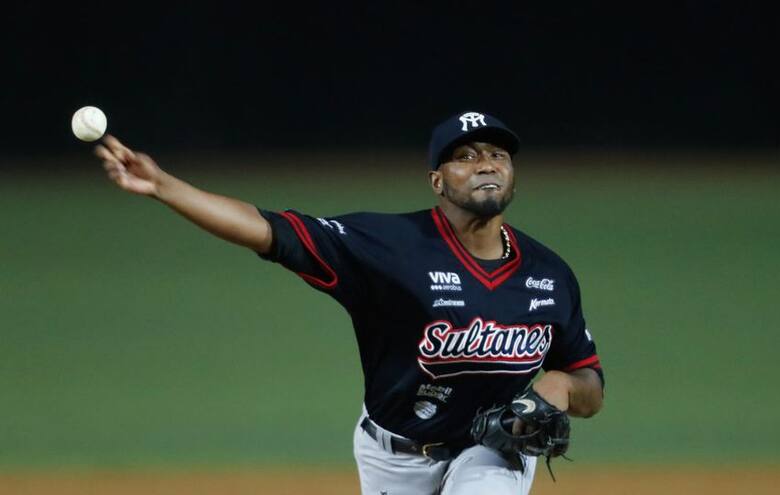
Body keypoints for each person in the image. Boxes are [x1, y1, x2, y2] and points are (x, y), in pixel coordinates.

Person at [94, 111, 605, 494]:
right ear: (436, 181)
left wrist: (560, 386)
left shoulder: (549, 274)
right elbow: (268, 231)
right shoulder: (388, 246)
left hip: (494, 452)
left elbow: (590, 383)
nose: (485, 164)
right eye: (465, 156)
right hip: (394, 456)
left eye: (497, 154)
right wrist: (163, 186)